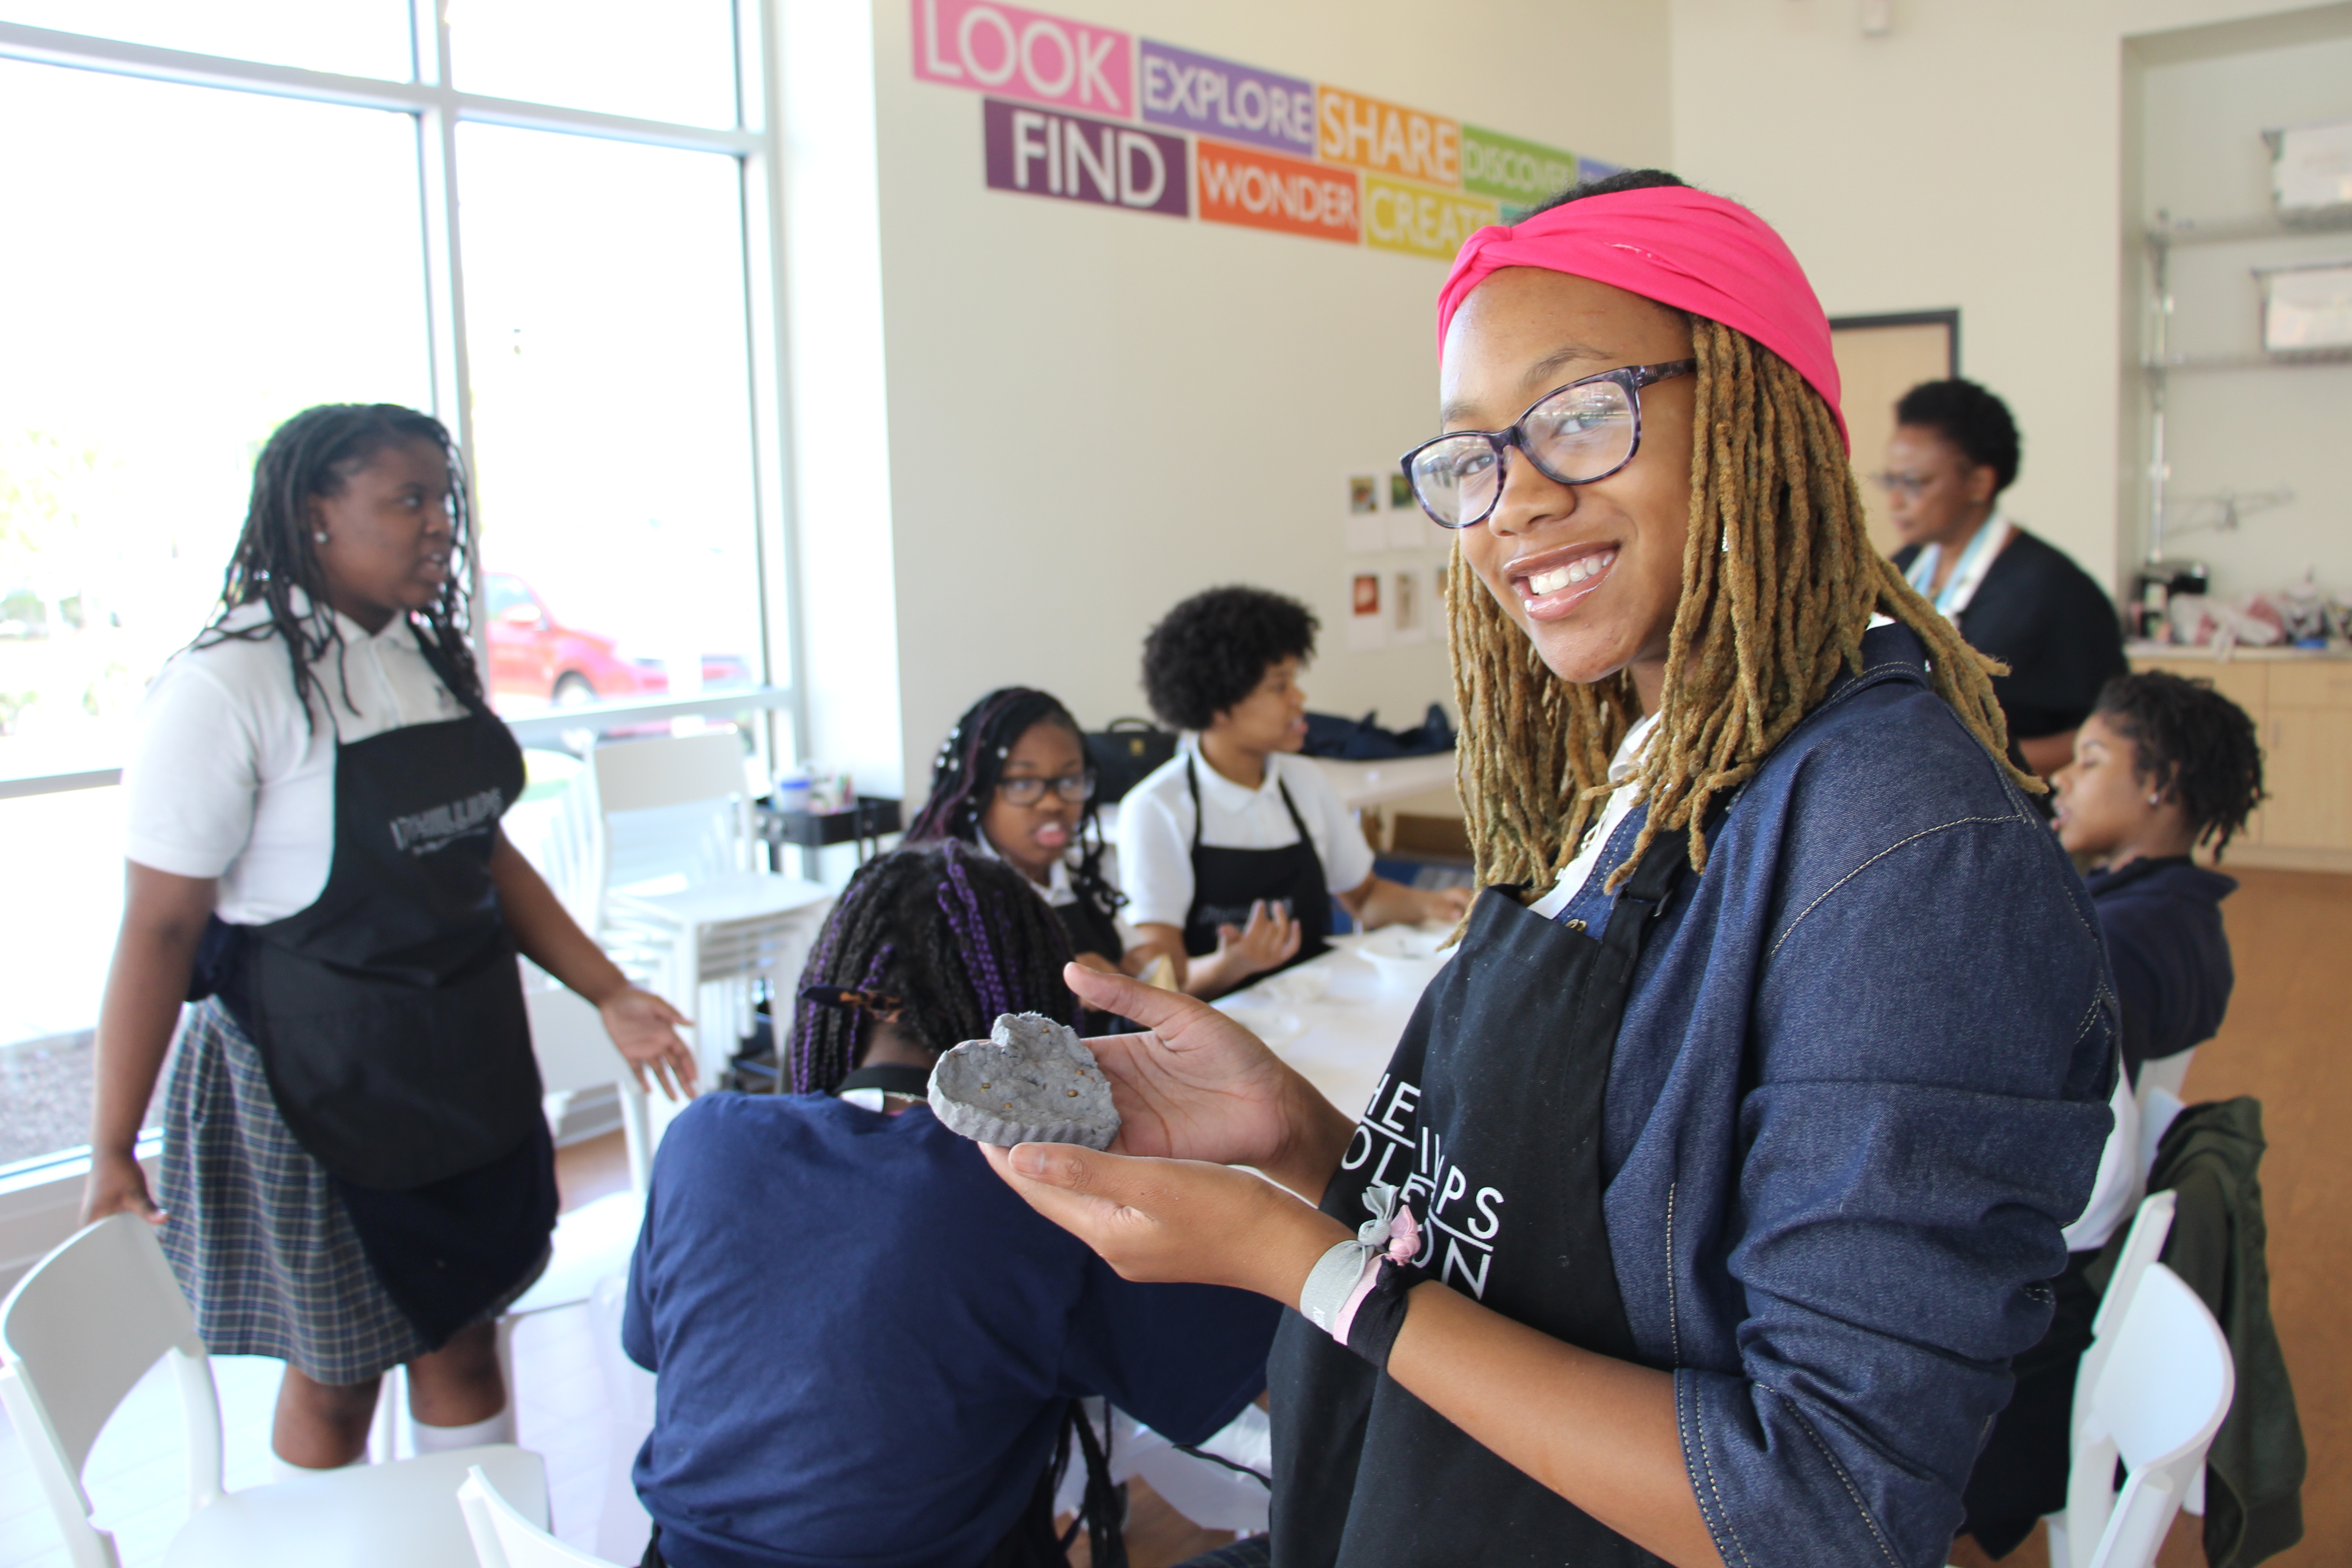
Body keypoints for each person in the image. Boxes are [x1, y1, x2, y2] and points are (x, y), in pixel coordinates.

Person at [983, 171, 2115, 1568]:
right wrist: (1296, 1140)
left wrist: (1297, 1259)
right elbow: (1535, 1252)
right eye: (1471, 456)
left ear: (1765, 415)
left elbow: (1824, 1502)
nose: (1513, 501)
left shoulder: (1907, 856)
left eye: (1580, 414)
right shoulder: (1644, 761)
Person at [83, 404, 697, 1475]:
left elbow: (486, 857)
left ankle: (481, 1545)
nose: (438, 527)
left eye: (444, 502)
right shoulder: (228, 683)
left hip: (465, 1068)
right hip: (318, 1082)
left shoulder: (417, 658)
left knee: (466, 1327)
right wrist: (108, 1145)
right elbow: (160, 924)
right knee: (338, 1370)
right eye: (407, 500)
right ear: (315, 512)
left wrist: (607, 989)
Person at [624, 842, 1279, 1568]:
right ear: (1032, 1016)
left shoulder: (704, 1140)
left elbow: (656, 1349)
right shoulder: (1035, 1185)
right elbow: (1295, 1392)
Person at [1959, 669, 2264, 1558]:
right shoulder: (2182, 915)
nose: (2062, 779)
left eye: (2092, 761)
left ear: (2160, 785)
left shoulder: (2118, 939)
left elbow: (2082, 1157)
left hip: (2058, 1286)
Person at [1117, 587, 1470, 1000]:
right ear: (1218, 704)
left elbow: (1365, 897)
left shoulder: (1306, 781)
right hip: (1220, 1023)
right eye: (1279, 686)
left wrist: (1434, 904)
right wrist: (1232, 965)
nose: (1299, 700)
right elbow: (1161, 978)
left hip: (1315, 1005)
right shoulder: (1157, 808)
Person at [1882, 379, 2129, 776]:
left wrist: (1982, 763)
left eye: (1915, 483)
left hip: (2008, 806)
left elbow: (2106, 730)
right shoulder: (1899, 571)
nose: (1895, 501)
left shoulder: (2055, 590)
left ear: (1979, 483)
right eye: (1890, 481)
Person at [904, 687, 1135, 978]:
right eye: (1023, 783)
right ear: (978, 790)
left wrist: (1136, 969)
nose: (1053, 803)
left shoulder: (1086, 883)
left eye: (1070, 780)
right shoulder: (942, 903)